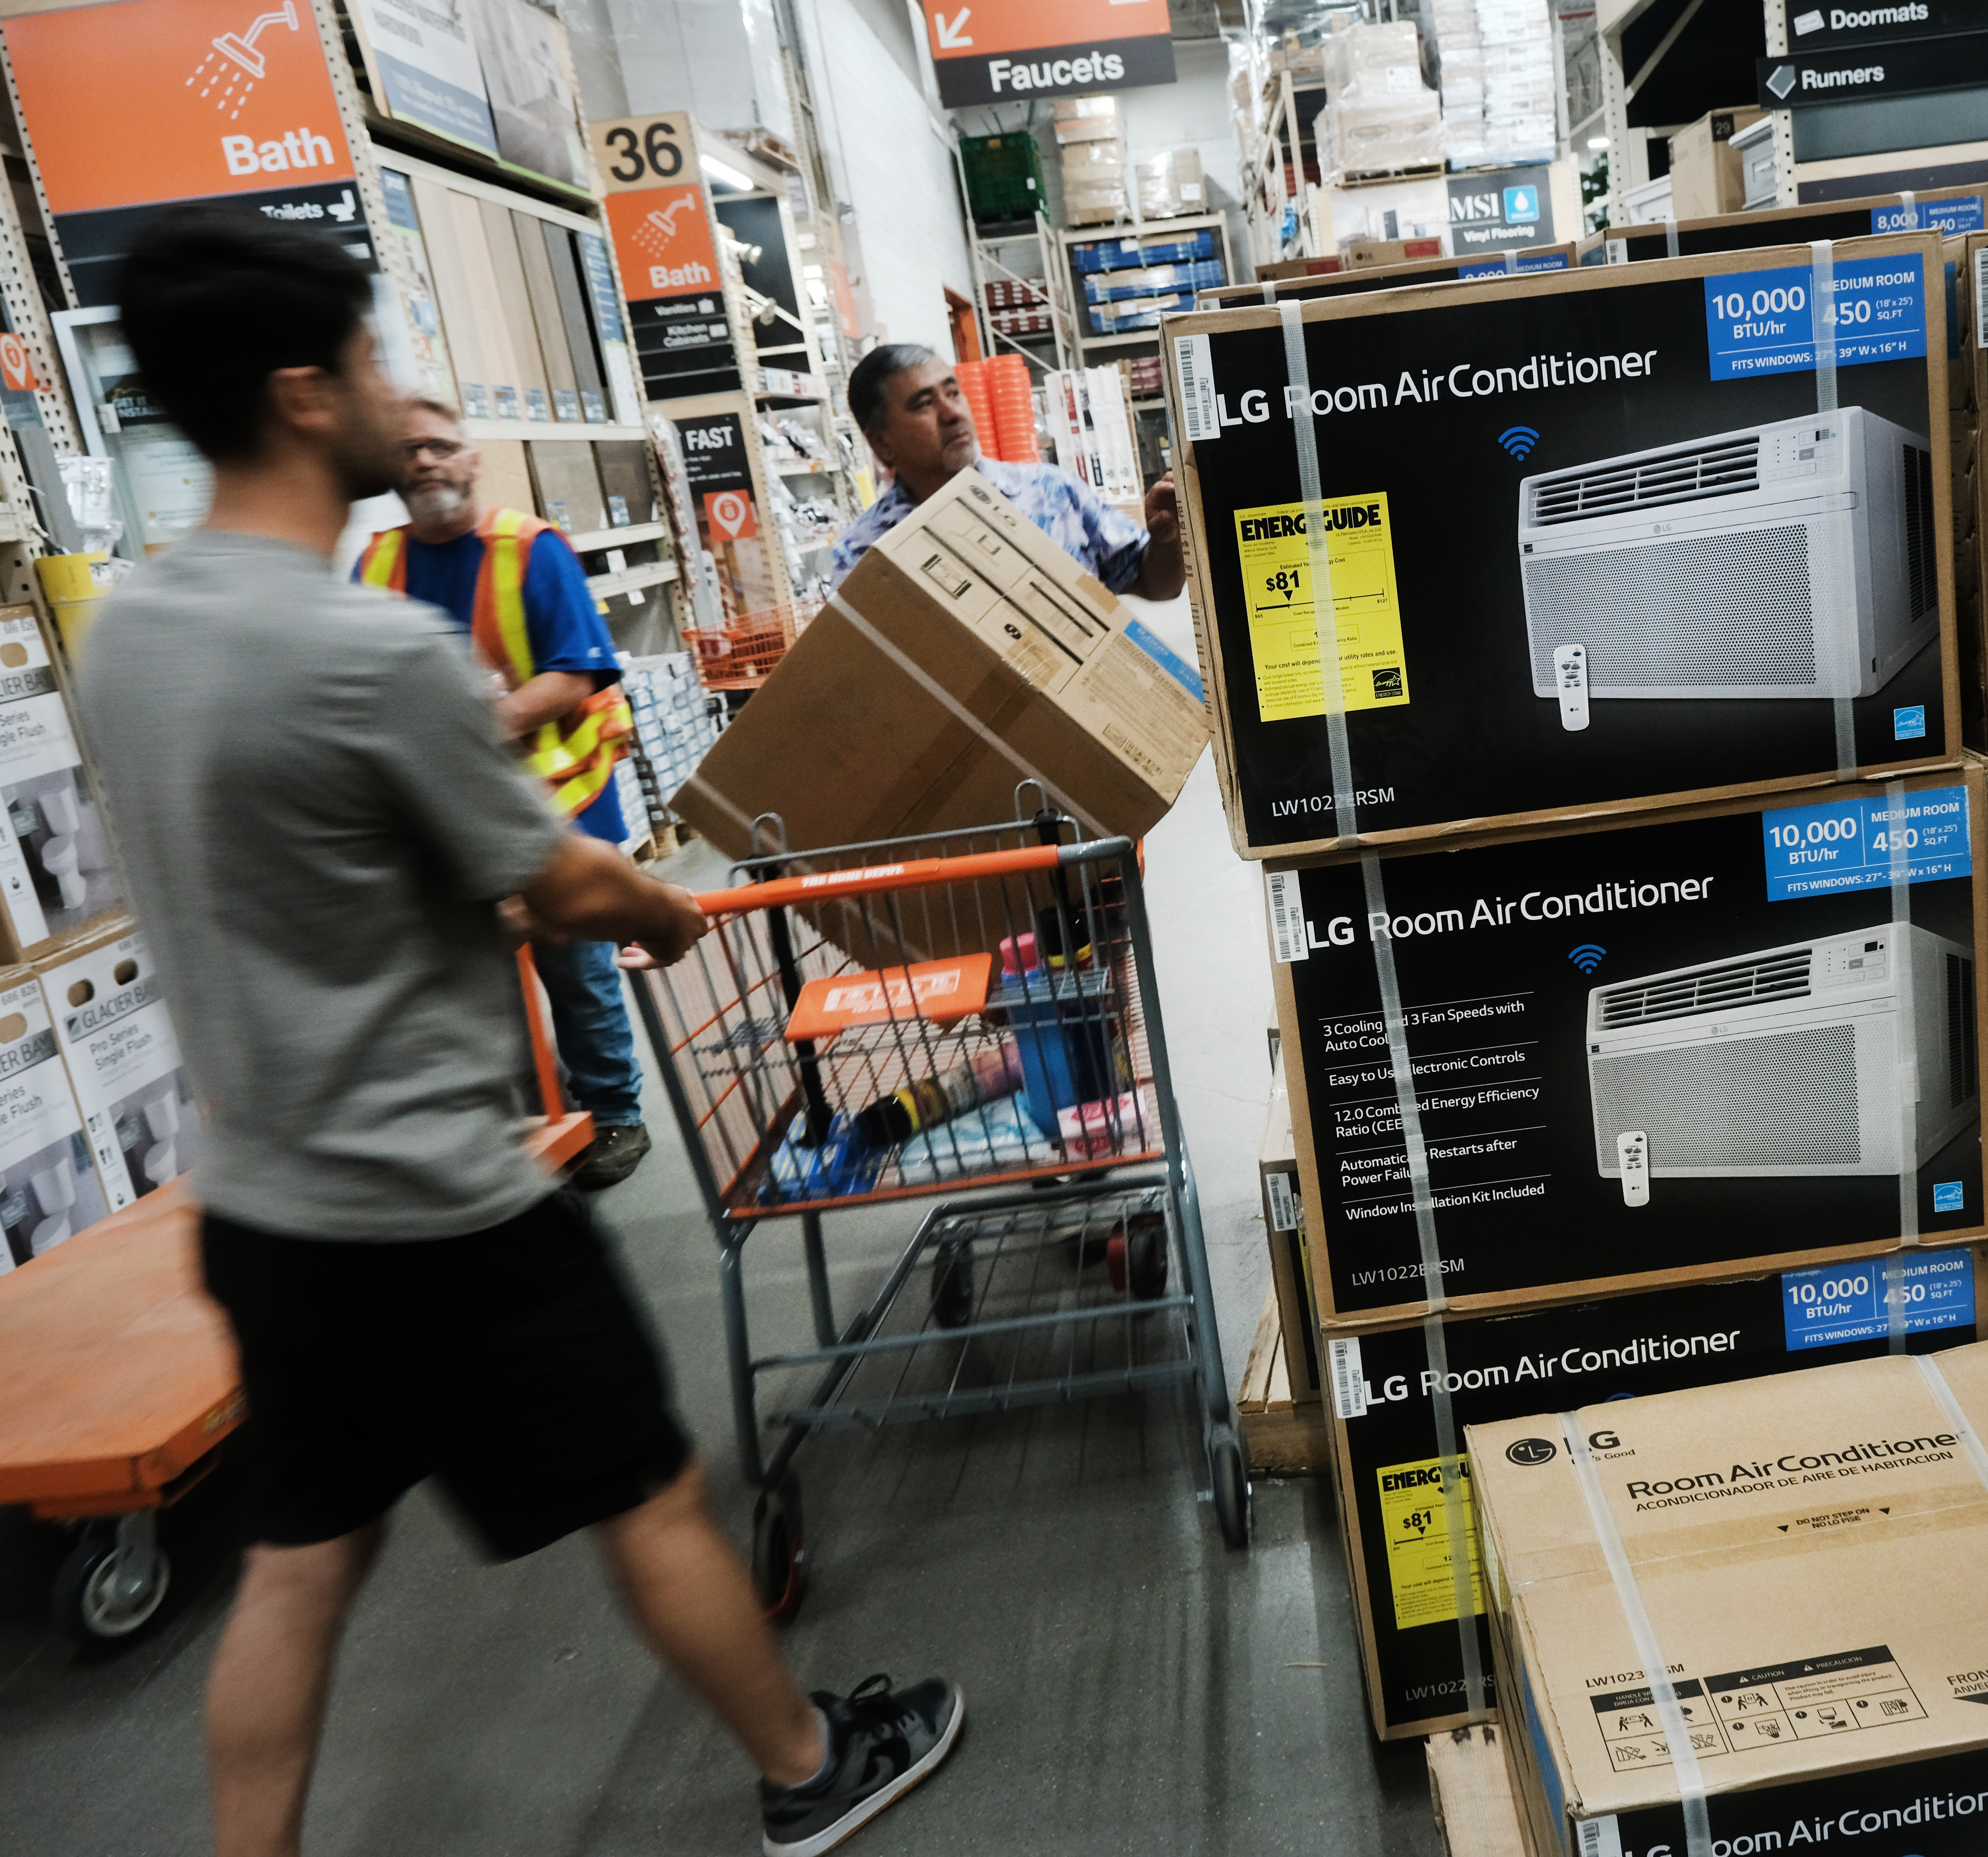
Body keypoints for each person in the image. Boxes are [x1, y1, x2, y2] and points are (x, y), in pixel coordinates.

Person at [76, 209, 959, 1857]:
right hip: (438, 1205)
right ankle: (805, 1762)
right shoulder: (364, 646)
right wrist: (663, 905)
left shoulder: (127, 632)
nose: (389, 392)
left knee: (299, 1555)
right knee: (644, 1486)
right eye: (363, 361)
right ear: (296, 392)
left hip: (264, 1207)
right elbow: (551, 878)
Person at [354, 401, 652, 1191]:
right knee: (490, 984)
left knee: (577, 972)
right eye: (408, 450)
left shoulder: (529, 551)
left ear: (471, 459)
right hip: (448, 823)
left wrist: (477, 725)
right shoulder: (376, 567)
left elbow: (577, 669)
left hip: (561, 808)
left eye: (440, 447)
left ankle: (614, 1114)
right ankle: (543, 1122)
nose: (423, 462)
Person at [826, 343, 1186, 598]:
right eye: (924, 404)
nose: (952, 413)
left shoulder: (1050, 491)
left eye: (953, 393)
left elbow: (1156, 585)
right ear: (882, 445)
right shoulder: (866, 553)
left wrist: (1166, 540)